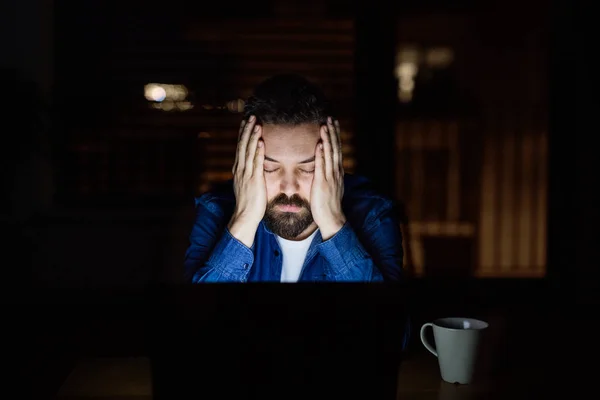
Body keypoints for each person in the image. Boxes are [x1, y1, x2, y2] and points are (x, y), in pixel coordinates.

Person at [184, 74, 404, 282]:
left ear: (334, 163)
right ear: (245, 161)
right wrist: (243, 221)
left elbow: (384, 319)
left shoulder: (372, 214)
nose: (289, 187)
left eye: (307, 169)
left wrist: (333, 222)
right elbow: (198, 317)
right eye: (269, 168)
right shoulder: (215, 210)